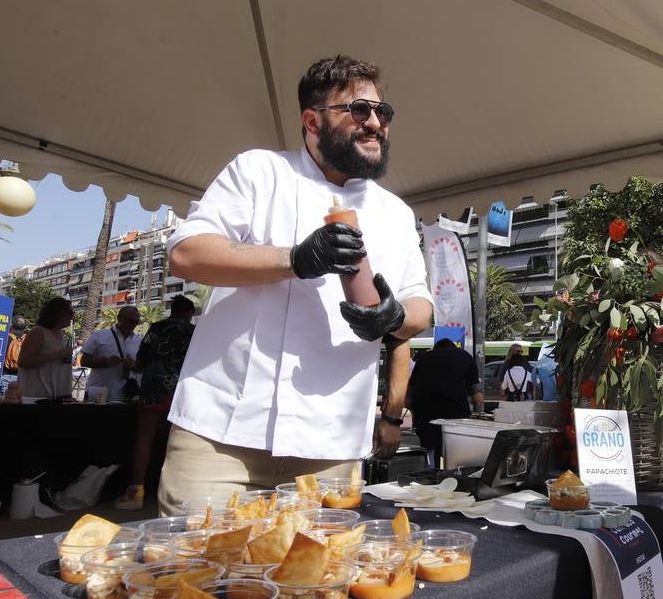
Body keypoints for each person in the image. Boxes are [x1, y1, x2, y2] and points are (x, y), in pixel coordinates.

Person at [157, 55, 433, 512]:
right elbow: (186, 254)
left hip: (331, 449)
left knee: (319, 579)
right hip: (221, 438)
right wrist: (296, 259)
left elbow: (420, 301)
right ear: (312, 120)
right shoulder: (259, 172)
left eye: (383, 114)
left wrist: (397, 317)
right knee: (193, 574)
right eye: (359, 111)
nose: (375, 124)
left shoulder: (396, 213)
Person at [115, 295, 197, 510]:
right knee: (177, 442)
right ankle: (175, 495)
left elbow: (141, 363)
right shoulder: (193, 332)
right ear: (189, 313)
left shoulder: (156, 328)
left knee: (144, 439)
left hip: (153, 390)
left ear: (172, 310)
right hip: (181, 392)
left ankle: (136, 493)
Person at [407, 338, 481, 467]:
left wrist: (410, 405)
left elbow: (411, 389)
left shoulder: (425, 357)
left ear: (436, 349)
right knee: (454, 447)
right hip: (455, 409)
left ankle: (431, 473)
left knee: (429, 446)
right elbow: (477, 396)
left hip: (425, 409)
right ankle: (453, 474)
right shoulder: (464, 356)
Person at [17, 297, 75, 400]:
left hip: (54, 396)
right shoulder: (38, 332)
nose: (72, 316)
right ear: (57, 313)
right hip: (35, 396)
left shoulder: (61, 334)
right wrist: (59, 354)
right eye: (70, 312)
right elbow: (23, 361)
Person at [80, 304, 141, 402]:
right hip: (99, 392)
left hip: (126, 396)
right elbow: (84, 361)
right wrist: (106, 361)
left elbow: (144, 368)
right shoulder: (99, 336)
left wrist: (133, 365)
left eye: (137, 322)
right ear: (119, 318)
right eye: (130, 321)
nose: (133, 324)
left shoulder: (140, 341)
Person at [1, 315, 27, 388]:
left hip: (5, 376)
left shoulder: (5, 338)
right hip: (22, 377)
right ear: (25, 328)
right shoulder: (29, 339)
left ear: (11, 325)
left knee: (6, 398)